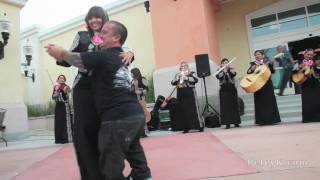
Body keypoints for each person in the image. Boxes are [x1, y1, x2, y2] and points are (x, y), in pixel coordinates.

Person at [45, 20, 151, 180]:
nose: (100, 35)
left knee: (109, 167)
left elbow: (76, 59)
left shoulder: (104, 56)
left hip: (117, 119)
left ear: (116, 38)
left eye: (105, 32)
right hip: (134, 117)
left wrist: (60, 52)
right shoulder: (120, 57)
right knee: (137, 160)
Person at [56, 6, 134, 180]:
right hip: (84, 90)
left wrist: (130, 52)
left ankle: (112, 173)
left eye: (97, 17)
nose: (94, 21)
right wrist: (60, 56)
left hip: (105, 90)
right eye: (91, 18)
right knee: (84, 133)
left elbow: (121, 51)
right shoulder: (81, 36)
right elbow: (69, 59)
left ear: (104, 19)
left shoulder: (110, 35)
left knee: (106, 132)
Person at [247, 50, 281, 126]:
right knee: (259, 102)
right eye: (255, 55)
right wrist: (252, 69)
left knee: (269, 101)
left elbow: (272, 71)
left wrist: (271, 64)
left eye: (258, 54)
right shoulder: (253, 63)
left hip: (267, 85)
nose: (257, 56)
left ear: (262, 55)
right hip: (257, 85)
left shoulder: (267, 62)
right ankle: (261, 121)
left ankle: (272, 120)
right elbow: (248, 72)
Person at [171, 61, 204, 133]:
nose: (183, 67)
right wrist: (177, 78)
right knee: (183, 111)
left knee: (193, 110)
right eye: (182, 66)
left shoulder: (192, 73)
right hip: (181, 94)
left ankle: (199, 126)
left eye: (185, 66)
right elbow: (173, 83)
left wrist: (186, 78)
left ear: (187, 67)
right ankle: (186, 128)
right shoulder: (177, 74)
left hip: (190, 93)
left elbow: (196, 80)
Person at [292, 48, 320, 123]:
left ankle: (318, 118)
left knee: (317, 101)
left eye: (311, 55)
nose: (309, 56)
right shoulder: (299, 62)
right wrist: (299, 67)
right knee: (307, 101)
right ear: (304, 54)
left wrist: (316, 68)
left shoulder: (315, 62)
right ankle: (308, 118)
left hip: (314, 83)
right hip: (305, 84)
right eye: (308, 54)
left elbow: (318, 72)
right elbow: (293, 72)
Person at [216, 58, 241, 129]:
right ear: (221, 64)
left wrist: (228, 70)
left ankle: (236, 122)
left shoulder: (232, 68)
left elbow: (234, 74)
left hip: (232, 88)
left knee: (234, 105)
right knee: (225, 107)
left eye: (227, 62)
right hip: (223, 89)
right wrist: (224, 71)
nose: (225, 64)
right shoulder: (219, 70)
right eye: (224, 63)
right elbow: (218, 77)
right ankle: (227, 123)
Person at [51, 75, 73, 144]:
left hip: (64, 106)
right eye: (60, 78)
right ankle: (59, 139)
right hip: (58, 106)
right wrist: (56, 93)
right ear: (58, 79)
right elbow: (53, 97)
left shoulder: (66, 87)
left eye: (63, 78)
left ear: (64, 80)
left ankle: (66, 138)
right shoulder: (56, 87)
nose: (62, 79)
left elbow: (67, 96)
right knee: (59, 122)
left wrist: (66, 91)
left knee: (65, 122)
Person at [131, 67, 150, 137]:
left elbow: (146, 89)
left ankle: (144, 132)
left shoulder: (143, 79)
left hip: (141, 99)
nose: (131, 75)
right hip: (134, 100)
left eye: (132, 73)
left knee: (143, 115)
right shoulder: (132, 80)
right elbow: (131, 90)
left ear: (135, 73)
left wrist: (140, 92)